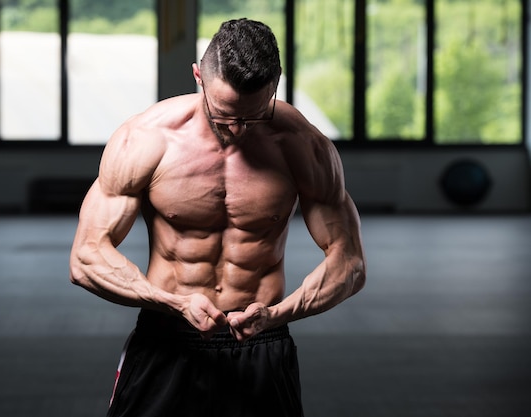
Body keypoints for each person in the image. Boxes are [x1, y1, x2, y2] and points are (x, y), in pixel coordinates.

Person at [69, 18, 366, 417]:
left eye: (254, 115)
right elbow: (86, 258)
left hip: (261, 344)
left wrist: (278, 314)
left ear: (275, 85)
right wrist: (172, 302)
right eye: (224, 113)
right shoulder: (145, 140)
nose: (239, 129)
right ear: (198, 77)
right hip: (168, 338)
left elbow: (349, 263)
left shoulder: (303, 145)